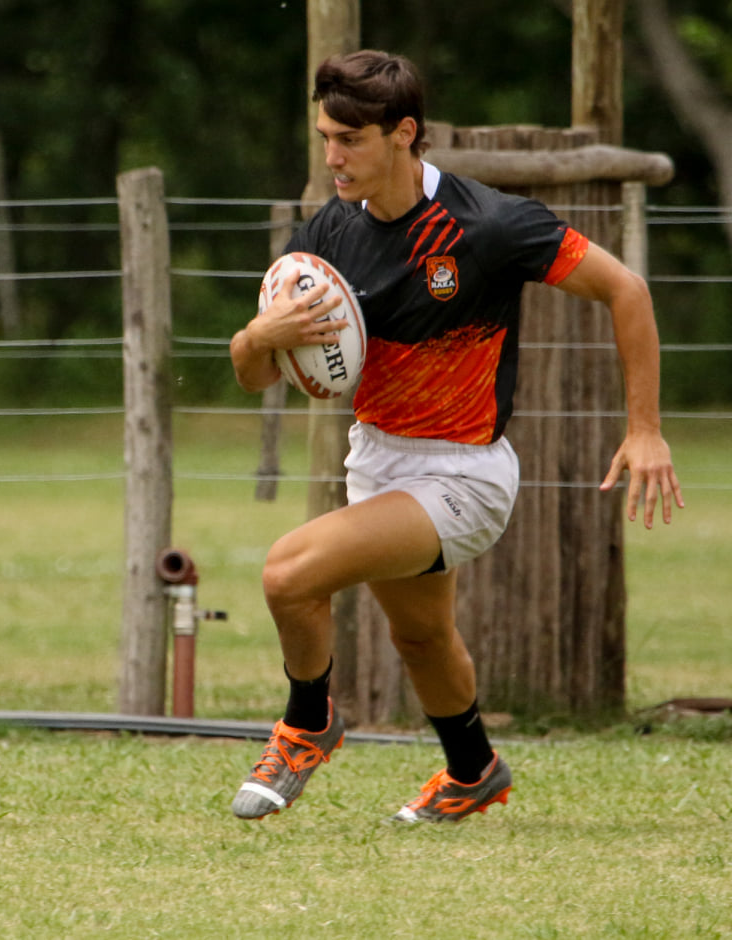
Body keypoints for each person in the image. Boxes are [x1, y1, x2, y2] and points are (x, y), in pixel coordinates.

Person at [227, 51, 683, 823]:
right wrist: (257, 335)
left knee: (288, 573)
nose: (332, 158)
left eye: (350, 140)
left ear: (405, 133)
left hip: (464, 476)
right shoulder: (327, 233)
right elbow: (256, 376)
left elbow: (625, 289)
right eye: (324, 138)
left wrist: (645, 430)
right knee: (422, 639)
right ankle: (473, 770)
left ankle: (308, 724)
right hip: (376, 460)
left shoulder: (490, 224)